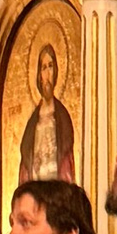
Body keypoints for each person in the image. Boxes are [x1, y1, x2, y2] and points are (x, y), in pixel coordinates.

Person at [18, 45, 79, 187]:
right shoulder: (32, 122)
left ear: (56, 71)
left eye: (50, 66)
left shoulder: (62, 116)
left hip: (56, 190)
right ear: (39, 75)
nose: (47, 74)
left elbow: (66, 161)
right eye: (43, 67)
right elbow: (26, 163)